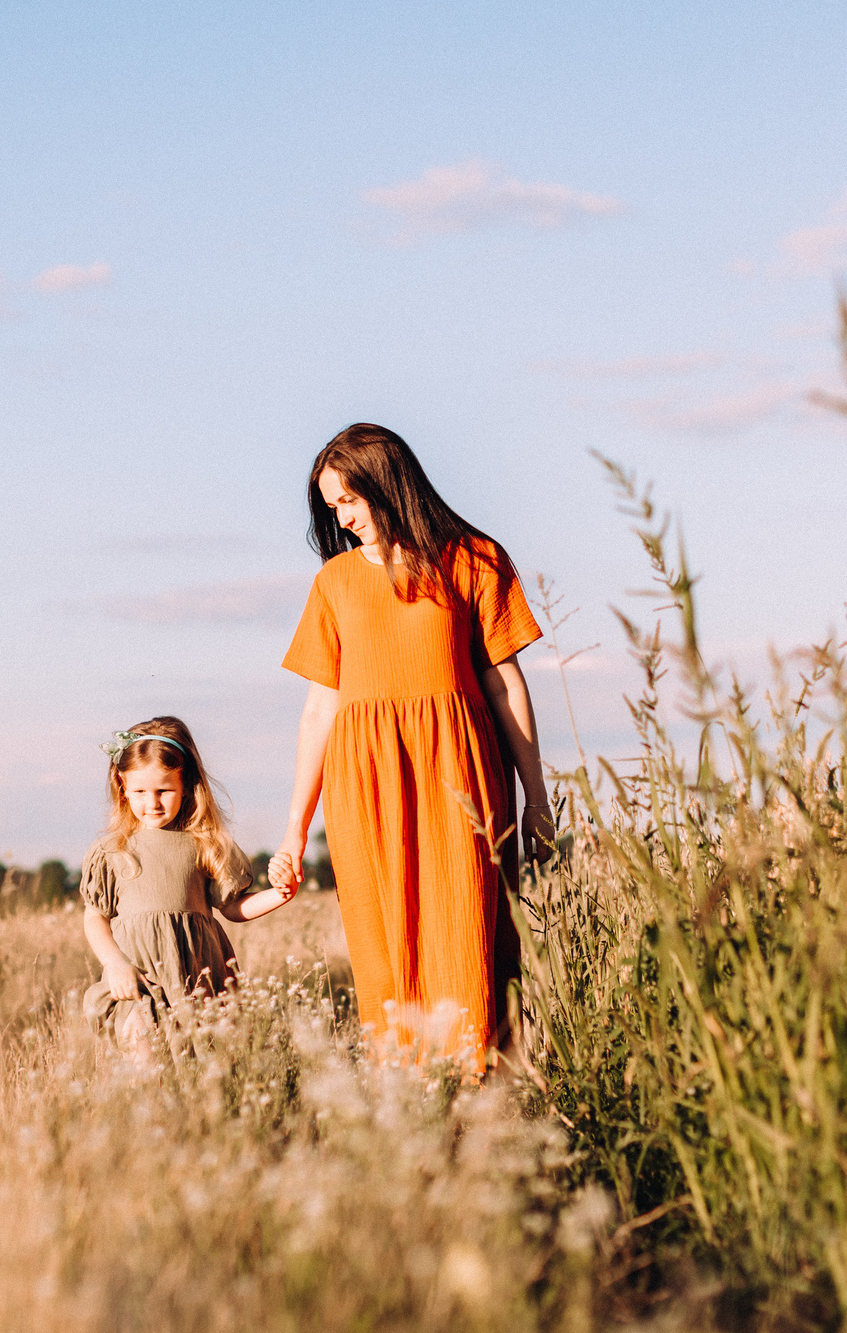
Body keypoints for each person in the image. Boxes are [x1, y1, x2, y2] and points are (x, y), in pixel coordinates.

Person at [270, 423, 554, 1067]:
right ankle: (407, 1098)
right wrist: (293, 830)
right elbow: (321, 707)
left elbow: (505, 681)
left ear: (388, 485)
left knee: (470, 929)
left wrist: (536, 797)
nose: (341, 520)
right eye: (331, 506)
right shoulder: (335, 583)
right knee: (383, 942)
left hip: (461, 769)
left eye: (349, 500)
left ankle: (483, 1099)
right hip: (363, 780)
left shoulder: (476, 559)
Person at [81, 716, 293, 1036]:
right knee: (139, 1039)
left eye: (164, 791)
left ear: (186, 785)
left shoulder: (205, 843)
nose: (152, 803)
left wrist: (280, 893)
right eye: (139, 790)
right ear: (122, 785)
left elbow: (233, 908)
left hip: (196, 976)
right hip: (137, 977)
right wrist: (114, 963)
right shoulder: (112, 850)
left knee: (200, 1055)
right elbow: (95, 917)